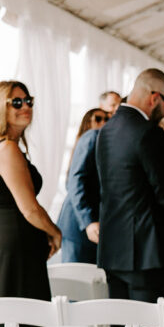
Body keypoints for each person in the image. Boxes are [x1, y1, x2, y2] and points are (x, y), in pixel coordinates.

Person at [0, 81, 60, 300]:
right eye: (16, 102)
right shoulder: (6, 149)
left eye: (29, 101)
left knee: (9, 322)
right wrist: (55, 232)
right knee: (20, 321)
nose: (25, 107)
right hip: (15, 250)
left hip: (2, 245)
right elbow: (30, 209)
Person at [95, 68, 164, 302]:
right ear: (155, 98)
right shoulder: (149, 133)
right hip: (147, 252)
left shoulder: (106, 131)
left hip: (113, 248)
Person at [57, 109, 108, 263]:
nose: (104, 122)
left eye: (107, 118)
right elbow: (76, 182)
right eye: (98, 118)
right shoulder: (91, 138)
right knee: (75, 280)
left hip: (96, 225)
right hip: (78, 224)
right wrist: (88, 221)